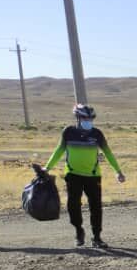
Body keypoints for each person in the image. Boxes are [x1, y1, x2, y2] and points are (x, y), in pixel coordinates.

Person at [45, 103, 126, 248]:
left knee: (96, 207)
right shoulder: (68, 132)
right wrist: (47, 167)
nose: (88, 120)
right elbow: (59, 150)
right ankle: (79, 231)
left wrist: (118, 171)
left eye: (90, 118)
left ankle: (97, 237)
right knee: (73, 205)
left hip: (93, 176)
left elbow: (108, 152)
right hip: (73, 175)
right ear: (78, 117)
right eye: (84, 117)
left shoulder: (97, 134)